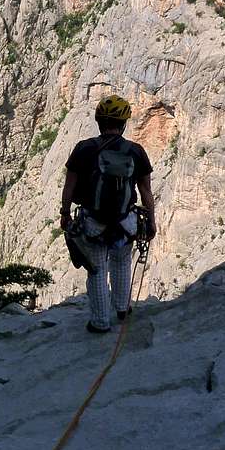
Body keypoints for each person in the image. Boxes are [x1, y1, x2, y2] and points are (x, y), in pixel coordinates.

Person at [60, 94, 157, 333]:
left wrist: (65, 213)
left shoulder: (84, 149)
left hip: (93, 223)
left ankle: (101, 322)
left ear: (99, 121)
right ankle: (122, 309)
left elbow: (69, 186)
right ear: (123, 124)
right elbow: (146, 191)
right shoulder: (136, 151)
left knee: (97, 270)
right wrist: (151, 221)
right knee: (122, 261)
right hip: (126, 222)